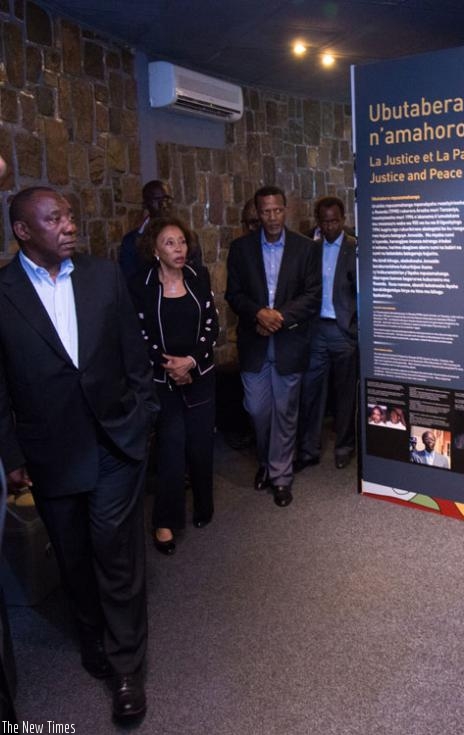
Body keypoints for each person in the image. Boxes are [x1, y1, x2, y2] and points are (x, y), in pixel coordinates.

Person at [0, 187, 158, 720]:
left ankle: (126, 668)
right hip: (52, 454)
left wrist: (143, 417)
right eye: (54, 218)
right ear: (23, 231)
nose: (70, 224)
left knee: (114, 549)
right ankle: (91, 638)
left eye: (69, 215)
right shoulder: (1, 292)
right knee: (73, 557)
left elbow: (133, 357)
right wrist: (11, 450)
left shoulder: (102, 275)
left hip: (116, 441)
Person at [226, 185, 321, 507]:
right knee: (257, 409)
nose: (272, 217)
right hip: (254, 342)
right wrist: (258, 313)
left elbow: (312, 295)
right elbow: (233, 294)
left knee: (285, 411)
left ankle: (280, 475)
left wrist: (278, 316)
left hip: (289, 341)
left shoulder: (306, 249)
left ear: (286, 209)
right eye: (265, 211)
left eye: (277, 210)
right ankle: (267, 462)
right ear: (258, 213)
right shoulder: (240, 249)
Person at [129, 217, 218, 555]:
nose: (178, 249)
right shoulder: (141, 284)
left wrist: (191, 362)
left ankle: (204, 505)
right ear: (154, 249)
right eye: (169, 243)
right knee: (171, 447)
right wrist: (171, 366)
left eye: (181, 242)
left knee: (200, 444)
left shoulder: (199, 277)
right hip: (163, 379)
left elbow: (212, 324)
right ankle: (165, 521)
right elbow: (138, 335)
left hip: (200, 374)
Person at [296, 196, 358, 471]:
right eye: (325, 221)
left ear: (343, 220)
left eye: (335, 220)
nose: (331, 226)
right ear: (318, 221)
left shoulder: (356, 248)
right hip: (316, 330)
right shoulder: (310, 249)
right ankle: (309, 448)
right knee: (311, 392)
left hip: (344, 331)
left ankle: (344, 446)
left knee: (345, 395)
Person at [118, 180, 174, 281]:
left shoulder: (187, 237)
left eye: (167, 199)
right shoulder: (131, 242)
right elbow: (129, 280)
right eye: (157, 199)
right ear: (146, 204)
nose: (163, 204)